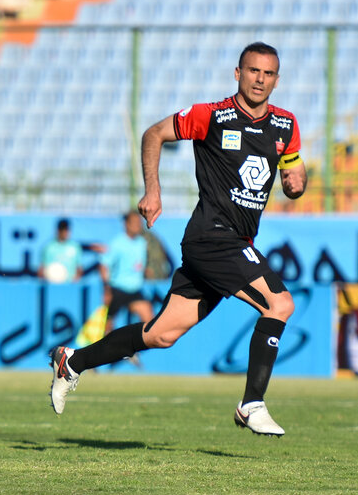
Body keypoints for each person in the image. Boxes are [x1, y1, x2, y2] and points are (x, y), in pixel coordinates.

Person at [48, 42, 307, 437]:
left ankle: (72, 361)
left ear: (277, 79)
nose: (260, 79)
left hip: (233, 241)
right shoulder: (211, 116)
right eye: (252, 71)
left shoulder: (285, 125)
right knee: (280, 303)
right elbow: (154, 134)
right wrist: (153, 190)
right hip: (213, 238)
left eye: (268, 73)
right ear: (237, 73)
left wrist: (295, 183)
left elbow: (293, 170)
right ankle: (251, 403)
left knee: (160, 335)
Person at [98, 210, 155, 368]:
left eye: (139, 222)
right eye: (134, 222)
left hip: (135, 289)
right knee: (107, 328)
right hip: (118, 288)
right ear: (126, 224)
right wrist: (106, 289)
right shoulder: (117, 243)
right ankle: (94, 360)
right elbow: (104, 266)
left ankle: (129, 348)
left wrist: (146, 272)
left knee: (151, 323)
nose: (138, 225)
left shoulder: (142, 243)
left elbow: (137, 265)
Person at [38, 218, 84, 283]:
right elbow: (42, 268)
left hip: (69, 285)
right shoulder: (49, 247)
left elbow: (79, 269)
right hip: (52, 284)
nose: (65, 233)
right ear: (58, 231)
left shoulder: (75, 247)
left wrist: (75, 281)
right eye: (63, 230)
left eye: (67, 230)